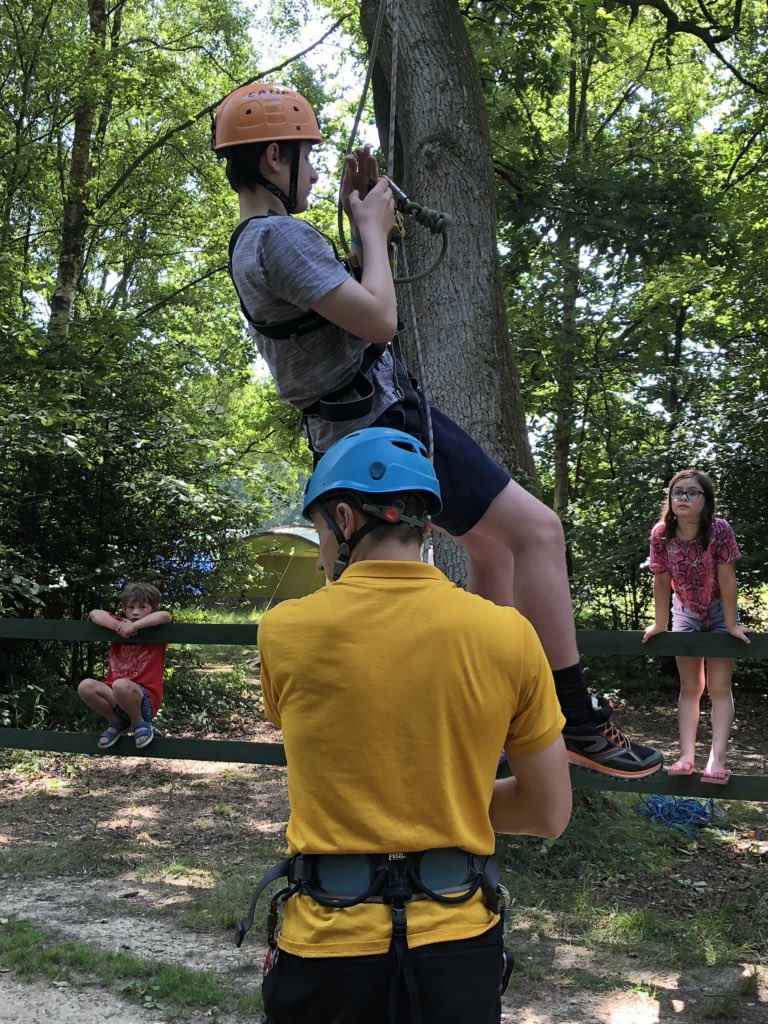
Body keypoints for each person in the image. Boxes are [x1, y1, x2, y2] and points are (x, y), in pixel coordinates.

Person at [212, 82, 663, 779]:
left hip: (348, 438)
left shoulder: (251, 245)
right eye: (308, 157)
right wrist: (368, 227)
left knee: (494, 553)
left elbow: (346, 302)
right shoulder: (280, 237)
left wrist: (357, 222)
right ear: (274, 156)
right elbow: (378, 319)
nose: (317, 170)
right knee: (539, 532)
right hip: (385, 421)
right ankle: (575, 718)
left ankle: (494, 724)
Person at [248, 426, 572, 1024]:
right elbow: (548, 813)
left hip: (327, 945)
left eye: (321, 529)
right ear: (424, 522)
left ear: (345, 519)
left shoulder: (285, 630)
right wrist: (446, 804)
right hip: (457, 945)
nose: (322, 551)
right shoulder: (508, 634)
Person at [642, 470, 750, 784]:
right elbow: (661, 579)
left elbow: (728, 578)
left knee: (718, 686)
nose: (683, 498)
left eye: (692, 493)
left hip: (718, 611)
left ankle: (716, 760)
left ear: (706, 500)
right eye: (677, 492)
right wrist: (660, 623)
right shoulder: (661, 533)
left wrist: (731, 624)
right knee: (690, 687)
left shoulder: (719, 530)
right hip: (685, 612)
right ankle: (686, 756)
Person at [78, 581, 172, 751]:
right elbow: (94, 613)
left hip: (144, 701)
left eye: (143, 607)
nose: (135, 612)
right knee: (85, 686)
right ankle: (116, 721)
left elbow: (165, 616)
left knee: (120, 684)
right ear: (125, 609)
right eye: (131, 607)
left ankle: (139, 723)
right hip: (116, 696)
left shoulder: (157, 628)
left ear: (153, 608)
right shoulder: (119, 624)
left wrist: (134, 627)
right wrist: (119, 626)